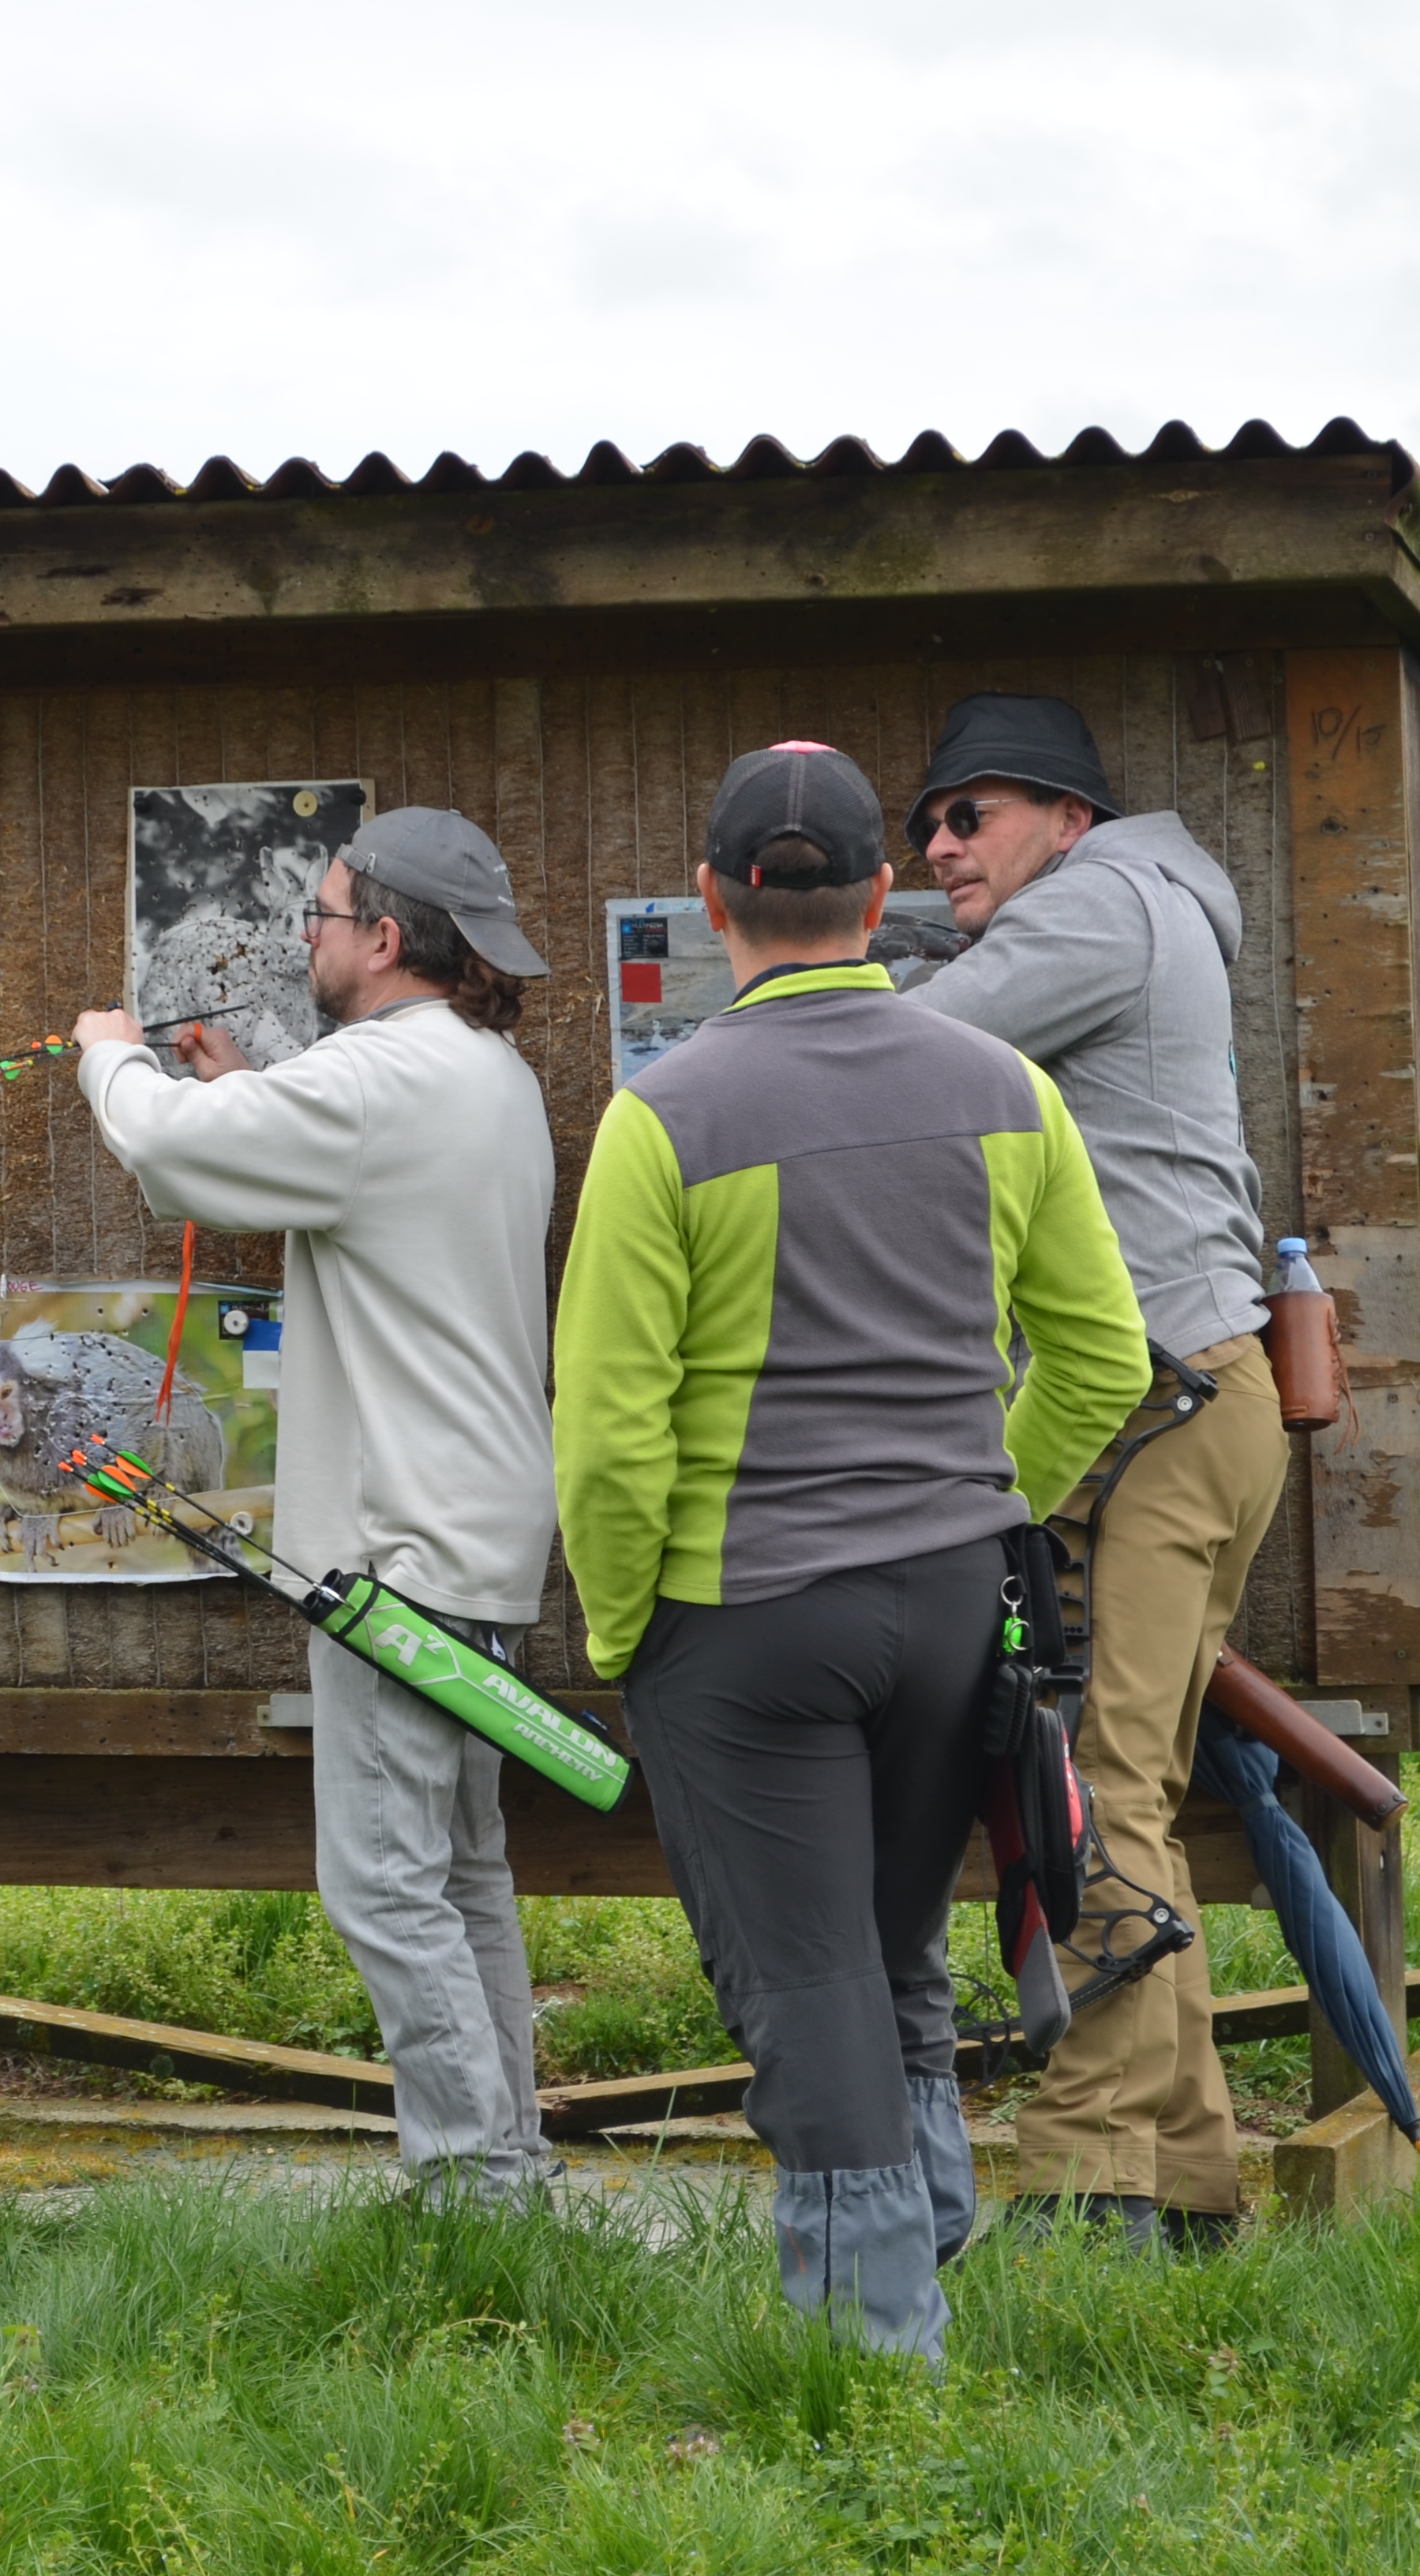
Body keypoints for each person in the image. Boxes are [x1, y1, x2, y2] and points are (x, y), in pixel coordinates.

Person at [555, 741, 1141, 2358]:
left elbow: (609, 1431)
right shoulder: (1004, 1091)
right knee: (885, 1949)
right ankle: (928, 2249)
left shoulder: (658, 1119)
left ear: (710, 902)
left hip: (743, 1616)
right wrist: (971, 1494)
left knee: (802, 1979)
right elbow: (1098, 1360)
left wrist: (630, 1634)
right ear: (882, 900)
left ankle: (872, 2354)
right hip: (954, 1605)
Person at [66, 808, 563, 2206]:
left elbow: (170, 1149)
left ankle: (475, 2190)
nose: (307, 935)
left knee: (387, 1883)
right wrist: (257, 1080)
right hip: (472, 1532)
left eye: (324, 914)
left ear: (387, 936)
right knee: (461, 1871)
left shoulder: (376, 1082)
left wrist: (108, 1050)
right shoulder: (478, 1069)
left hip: (396, 1549)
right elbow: (341, 1148)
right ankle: (506, 2160)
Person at [901, 691, 1291, 2252]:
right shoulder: (1143, 901)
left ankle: (1083, 2184)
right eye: (926, 821)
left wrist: (771, 1002)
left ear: (1066, 815)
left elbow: (903, 1052)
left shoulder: (1105, 903)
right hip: (1190, 1404)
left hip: (1158, 1408)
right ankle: (1192, 2187)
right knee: (1129, 1792)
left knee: (1091, 1796)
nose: (937, 844)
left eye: (968, 813)